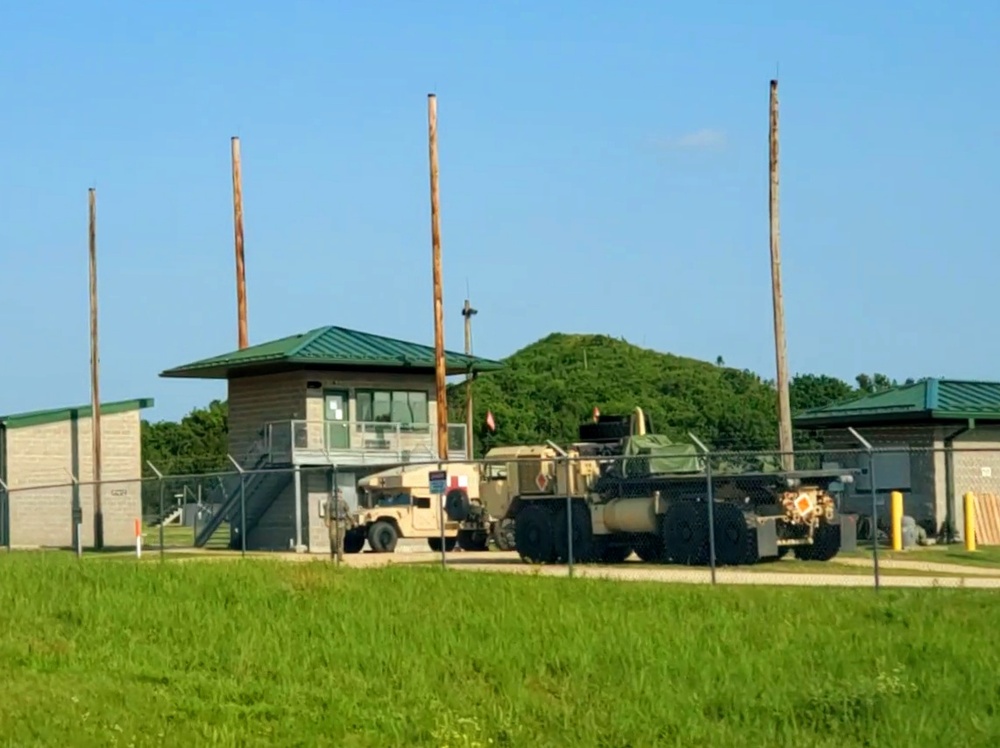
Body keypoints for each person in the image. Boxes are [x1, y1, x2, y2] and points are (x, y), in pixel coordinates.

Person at [327, 490, 356, 563]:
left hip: (342, 522)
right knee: (333, 538)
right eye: (337, 493)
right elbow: (327, 512)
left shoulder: (344, 503)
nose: (339, 495)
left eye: (340, 493)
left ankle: (340, 556)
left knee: (340, 540)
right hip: (333, 521)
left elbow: (348, 512)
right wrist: (327, 521)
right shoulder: (331, 502)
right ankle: (333, 554)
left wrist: (353, 521)